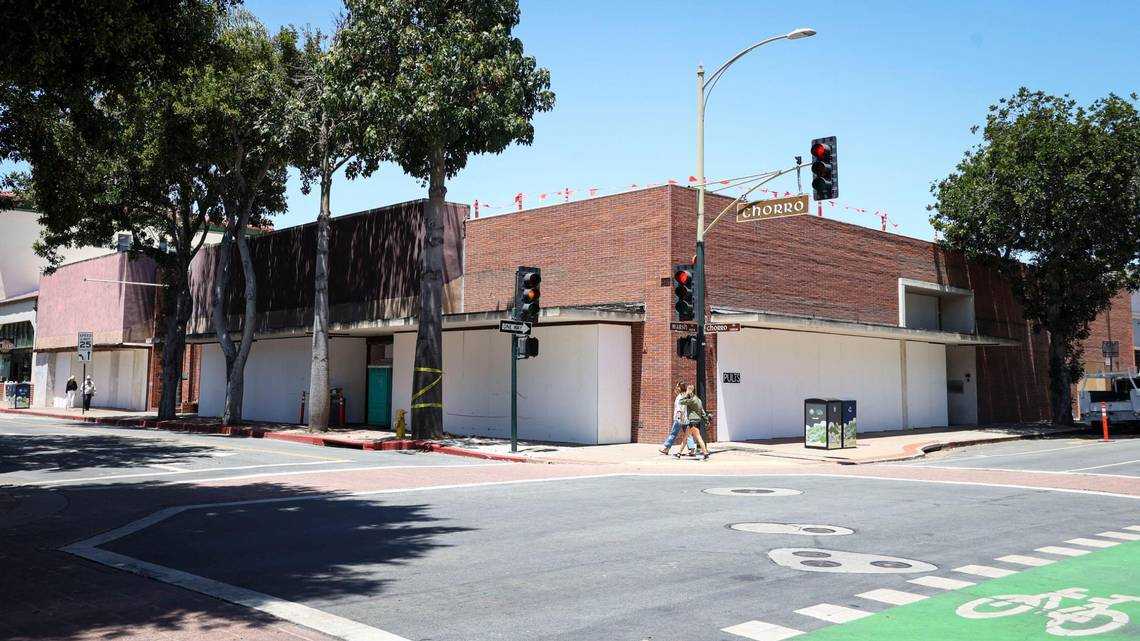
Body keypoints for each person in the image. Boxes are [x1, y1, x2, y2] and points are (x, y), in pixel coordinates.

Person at [660, 381, 697, 455]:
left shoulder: (680, 397)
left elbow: (679, 408)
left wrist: (678, 418)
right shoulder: (686, 396)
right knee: (688, 434)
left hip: (679, 418)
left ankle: (666, 448)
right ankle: (692, 450)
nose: (676, 388)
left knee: (673, 433)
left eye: (677, 387)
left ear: (680, 388)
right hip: (686, 418)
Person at [675, 384, 710, 461]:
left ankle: (705, 453)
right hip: (696, 421)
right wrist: (706, 420)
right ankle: (679, 453)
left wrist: (686, 394)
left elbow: (681, 402)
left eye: (688, 390)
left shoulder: (691, 400)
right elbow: (702, 412)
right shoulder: (698, 400)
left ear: (690, 391)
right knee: (686, 437)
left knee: (698, 437)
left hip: (692, 421)